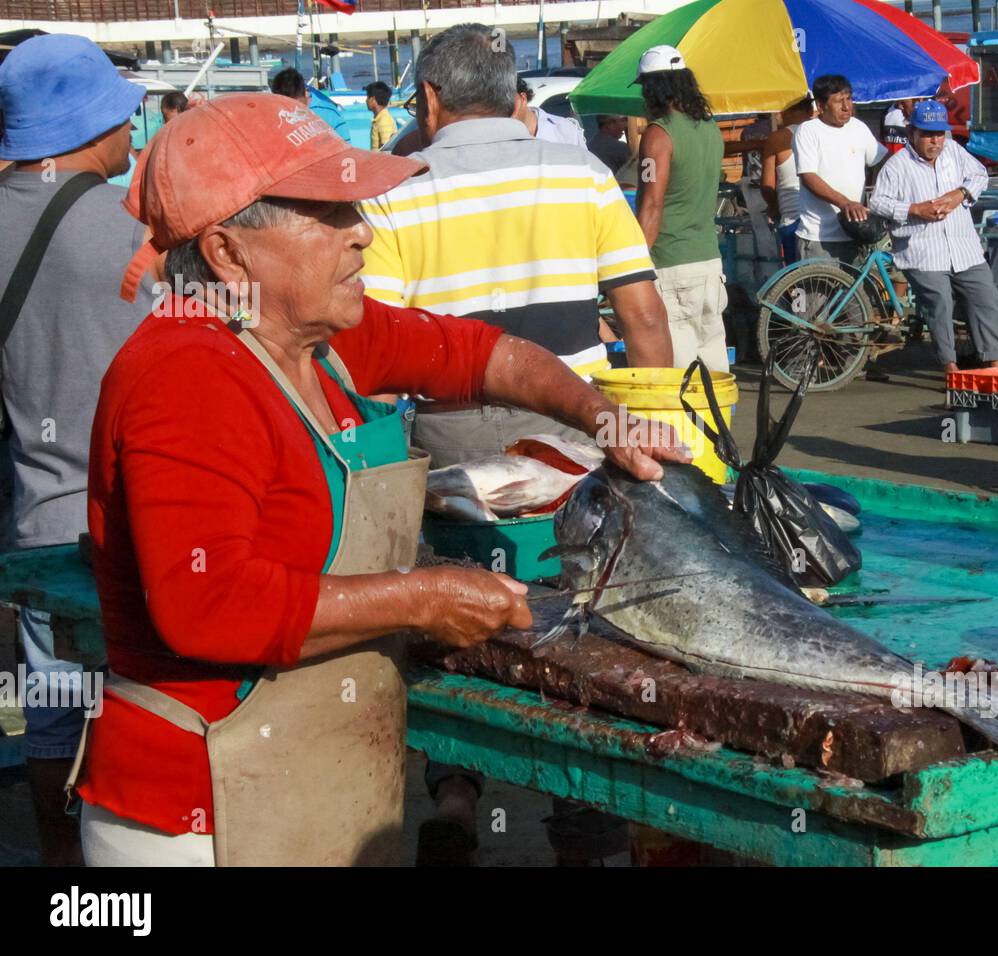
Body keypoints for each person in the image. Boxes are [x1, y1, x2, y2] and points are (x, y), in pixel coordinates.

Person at [75, 91, 687, 867]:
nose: (361, 233)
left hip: (309, 778)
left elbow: (480, 354)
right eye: (328, 216)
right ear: (229, 255)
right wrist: (422, 598)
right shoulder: (186, 374)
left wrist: (606, 418)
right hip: (199, 813)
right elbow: (206, 604)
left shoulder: (314, 339)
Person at [361, 24, 672, 456]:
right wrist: (650, 429)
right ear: (512, 96)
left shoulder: (391, 192)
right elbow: (645, 317)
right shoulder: (586, 174)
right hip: (578, 418)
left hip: (453, 432)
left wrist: (373, 459)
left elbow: (380, 345)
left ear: (430, 98)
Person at [0, 33, 152, 867]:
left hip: (37, 520)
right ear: (89, 122)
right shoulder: (133, 231)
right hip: (135, 521)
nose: (133, 127)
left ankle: (66, 871)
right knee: (142, 711)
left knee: (54, 707)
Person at [869, 99, 998, 374]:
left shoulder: (953, 151)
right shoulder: (897, 165)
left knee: (985, 296)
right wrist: (914, 209)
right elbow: (877, 202)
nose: (935, 141)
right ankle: (950, 368)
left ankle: (995, 365)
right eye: (928, 135)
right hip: (922, 253)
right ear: (912, 133)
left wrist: (960, 194)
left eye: (939, 134)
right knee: (939, 303)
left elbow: (979, 175)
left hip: (964, 247)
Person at [634, 45, 729, 371]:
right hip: (709, 262)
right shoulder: (711, 129)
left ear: (654, 89)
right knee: (714, 365)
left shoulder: (658, 135)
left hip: (671, 262)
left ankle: (685, 426)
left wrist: (634, 264)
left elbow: (651, 204)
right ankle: (718, 423)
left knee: (679, 372)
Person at [793, 74, 888, 266]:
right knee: (819, 296)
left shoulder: (858, 127)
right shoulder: (808, 131)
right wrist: (845, 203)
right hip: (819, 236)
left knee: (857, 295)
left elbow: (881, 160)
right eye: (838, 101)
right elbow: (808, 177)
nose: (847, 107)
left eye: (849, 99)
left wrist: (880, 194)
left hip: (855, 232)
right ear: (820, 106)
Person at [760, 95, 816, 265]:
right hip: (823, 218)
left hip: (792, 218)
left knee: (799, 283)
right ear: (809, 111)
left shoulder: (777, 138)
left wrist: (773, 207)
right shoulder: (823, 133)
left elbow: (767, 185)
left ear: (784, 111)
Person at [270, 66, 350, 141]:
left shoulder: (329, 114)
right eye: (286, 106)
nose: (292, 111)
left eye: (297, 106)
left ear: (306, 93)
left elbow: (345, 150)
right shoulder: (277, 114)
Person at [513, 77, 586, 147]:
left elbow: (584, 158)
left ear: (523, 98)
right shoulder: (503, 137)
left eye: (507, 99)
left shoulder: (566, 130)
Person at [365, 80, 397, 149]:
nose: (366, 100)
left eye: (367, 97)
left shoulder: (384, 121)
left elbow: (386, 149)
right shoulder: (380, 118)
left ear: (373, 99)